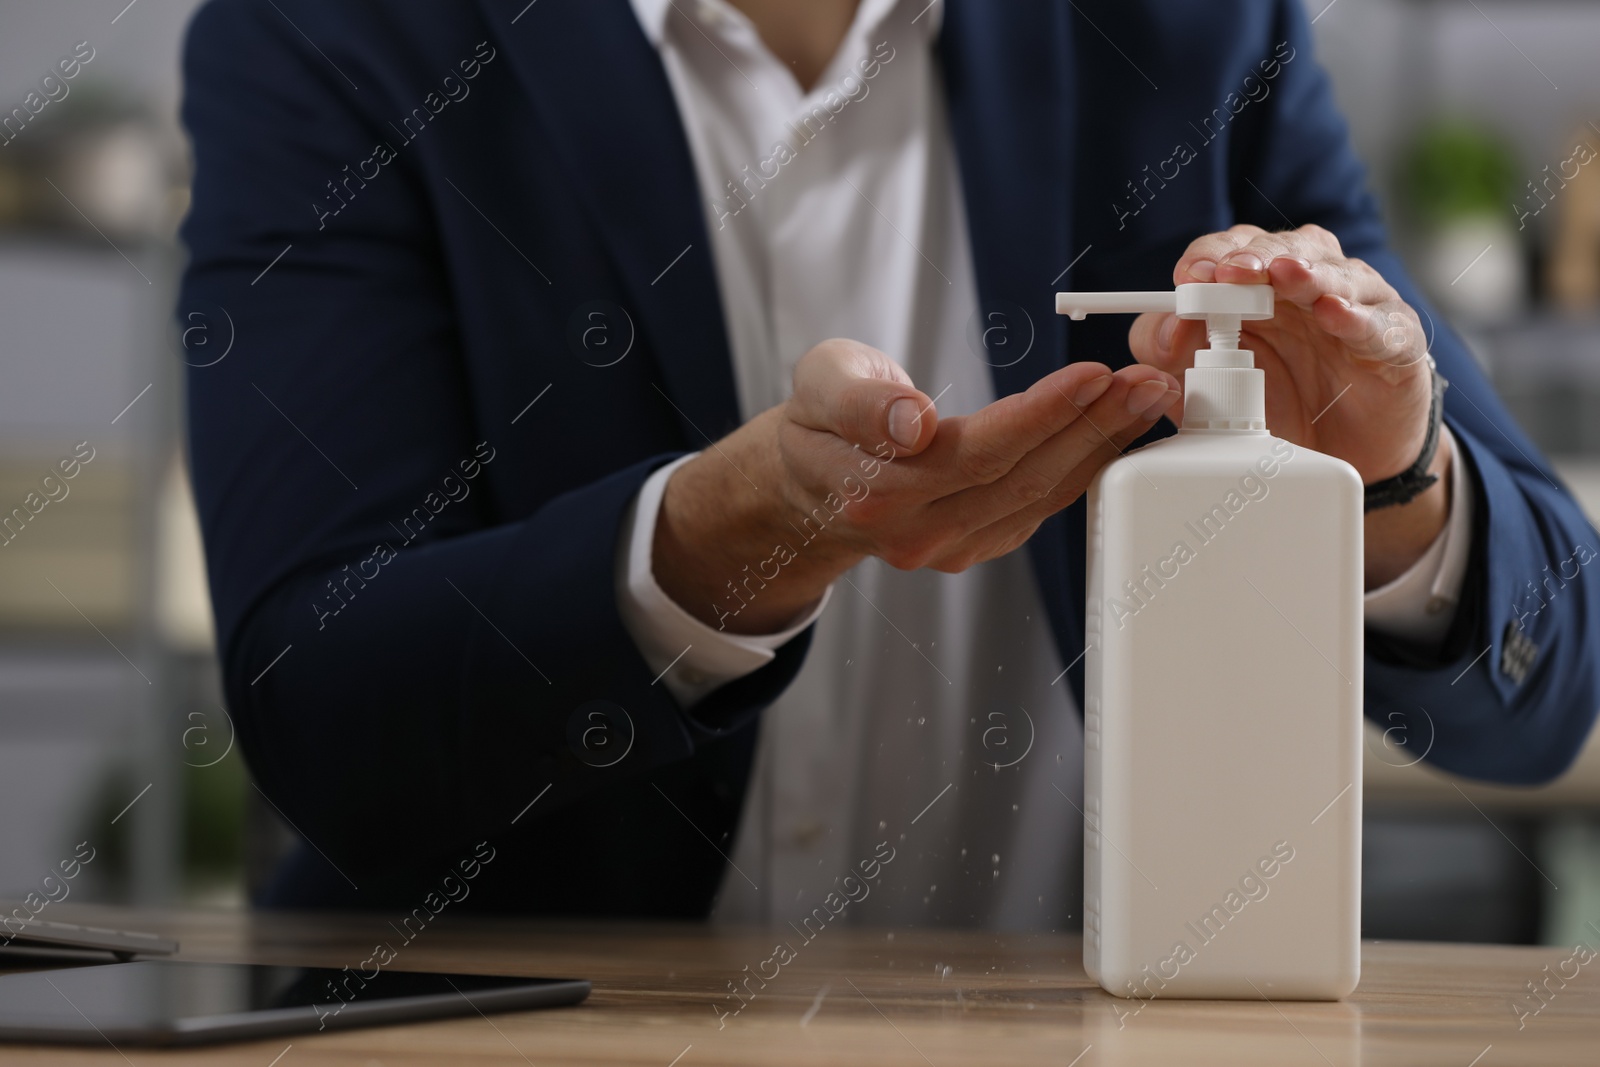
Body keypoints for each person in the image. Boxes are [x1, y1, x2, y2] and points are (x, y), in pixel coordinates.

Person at [178, 0, 1599, 923]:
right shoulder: (334, 35)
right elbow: (324, 705)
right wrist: (709, 552)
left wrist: (1394, 491)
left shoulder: (1192, 30)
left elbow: (1553, 685)